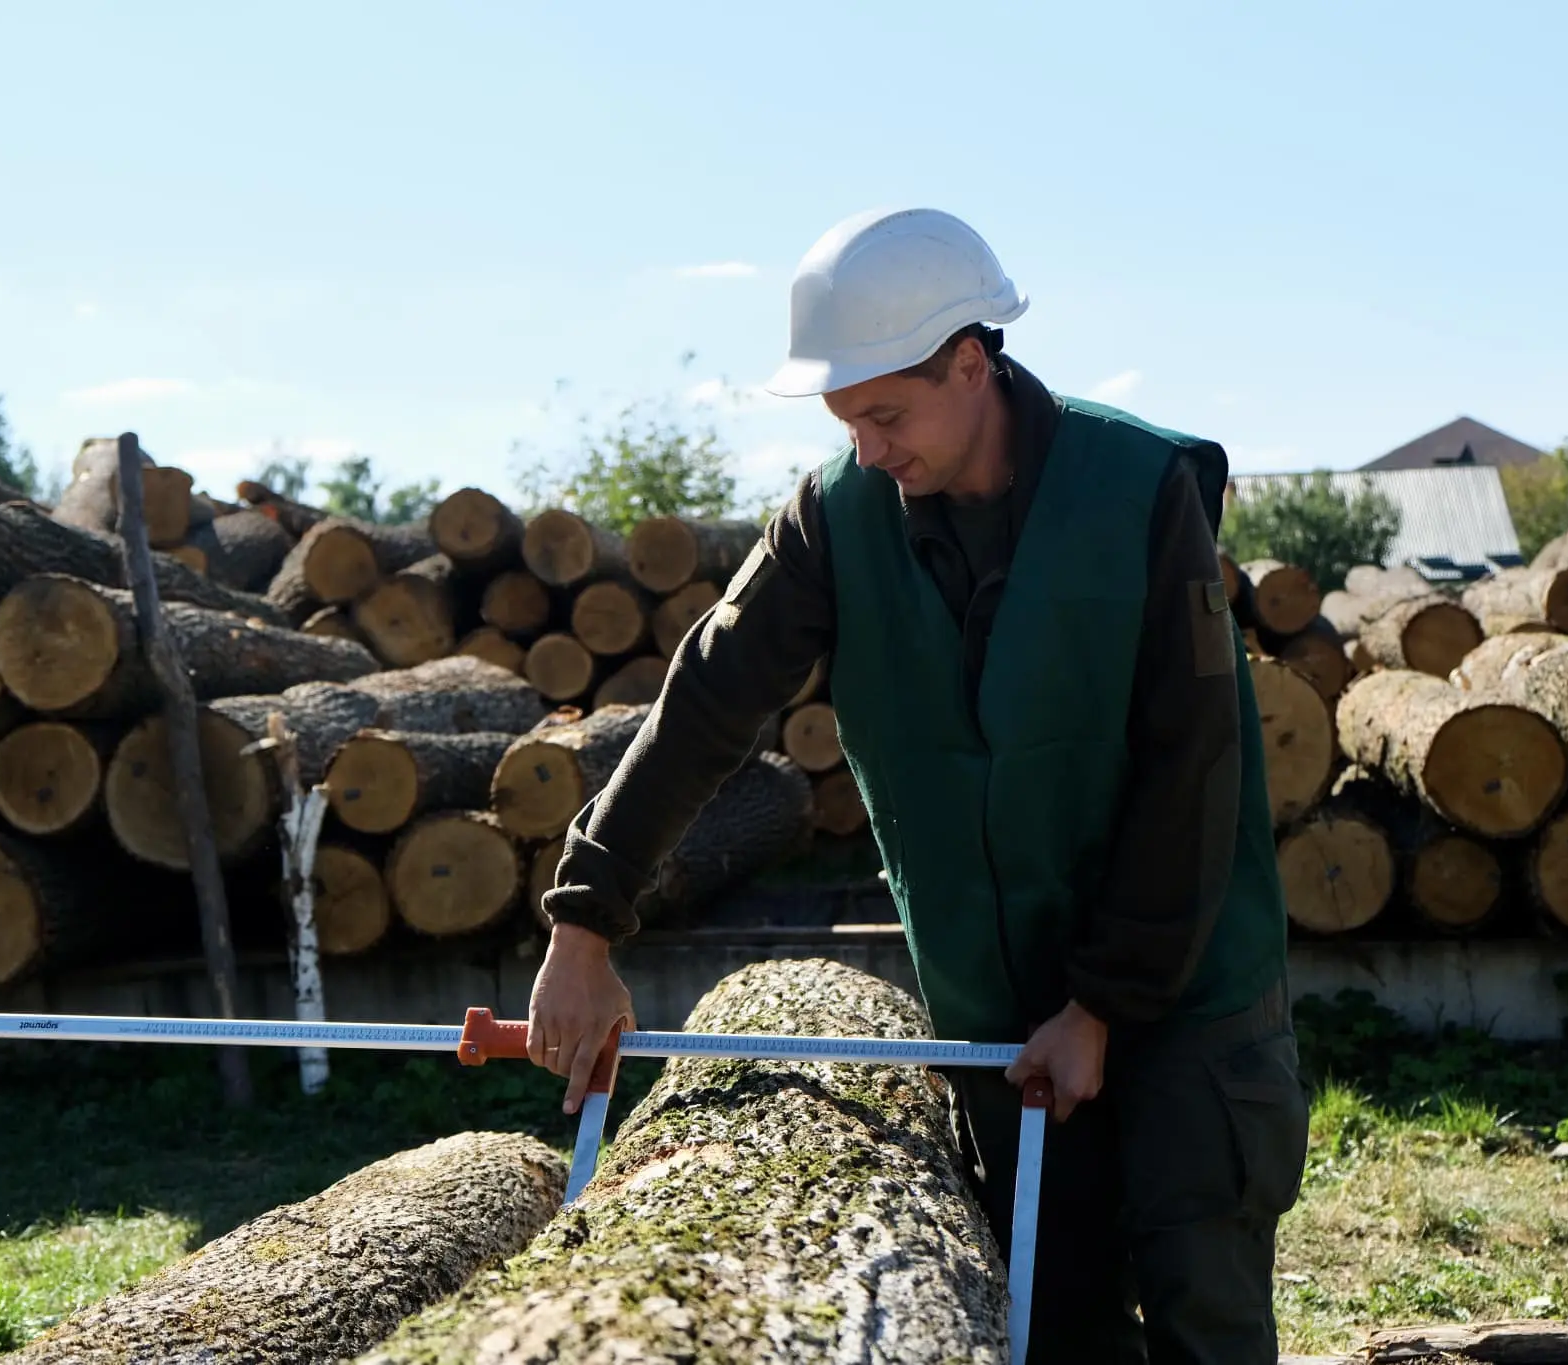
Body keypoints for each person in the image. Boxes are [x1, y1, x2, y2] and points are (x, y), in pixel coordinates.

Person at [527, 206, 1311, 1363]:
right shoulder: (833, 520)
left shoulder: (1142, 494)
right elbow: (704, 706)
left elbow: (1189, 777)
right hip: (995, 1012)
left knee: (1204, 1299)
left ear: (969, 362)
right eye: (847, 422)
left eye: (886, 414)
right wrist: (585, 923)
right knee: (1050, 1316)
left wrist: (1101, 1004)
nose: (868, 450)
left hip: (1188, 990)